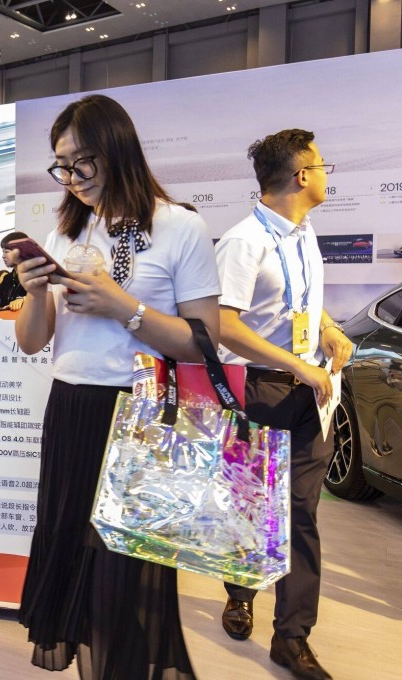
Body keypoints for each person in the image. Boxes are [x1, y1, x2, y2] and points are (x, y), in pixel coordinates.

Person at [14, 94, 221, 678]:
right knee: (72, 550)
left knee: (126, 567)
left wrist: (123, 308)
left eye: (83, 161)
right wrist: (34, 291)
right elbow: (33, 342)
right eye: (62, 164)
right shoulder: (66, 230)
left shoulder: (180, 226)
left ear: (118, 150)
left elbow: (203, 339)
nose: (72, 177)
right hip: (72, 406)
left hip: (143, 412)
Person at [214, 129, 352, 680]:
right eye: (321, 165)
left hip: (311, 395)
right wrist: (298, 365)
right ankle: (239, 591)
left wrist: (329, 326)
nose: (325, 173)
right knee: (250, 506)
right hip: (258, 390)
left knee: (301, 515)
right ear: (301, 176)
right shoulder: (244, 242)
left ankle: (292, 637)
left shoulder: (304, 233)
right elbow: (222, 324)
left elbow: (300, 303)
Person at [0, 232, 28, 310]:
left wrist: (24, 300)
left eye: (6, 252)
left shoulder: (34, 276)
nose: (3, 256)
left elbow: (41, 297)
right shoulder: (8, 278)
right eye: (2, 252)